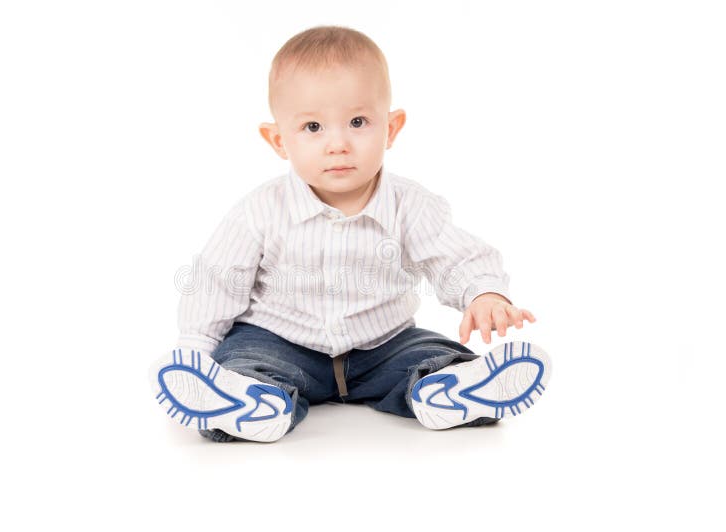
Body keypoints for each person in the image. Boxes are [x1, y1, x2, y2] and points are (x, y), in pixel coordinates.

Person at [151, 25, 552, 443]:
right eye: (313, 127)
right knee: (244, 358)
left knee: (428, 353)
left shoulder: (408, 204)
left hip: (381, 345)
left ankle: (450, 391)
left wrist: (484, 293)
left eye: (358, 122)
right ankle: (250, 401)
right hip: (281, 342)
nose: (338, 143)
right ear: (278, 139)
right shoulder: (260, 210)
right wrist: (195, 346)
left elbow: (453, 255)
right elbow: (218, 279)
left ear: (391, 129)